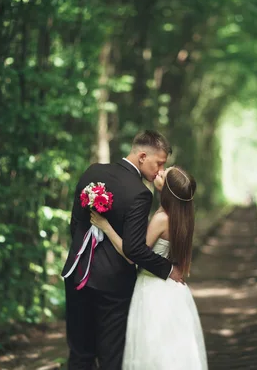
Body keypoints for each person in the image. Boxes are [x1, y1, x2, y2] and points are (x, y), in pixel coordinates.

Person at [61, 130, 185, 370]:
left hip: (77, 274)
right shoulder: (140, 193)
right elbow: (136, 248)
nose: (160, 170)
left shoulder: (92, 171)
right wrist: (168, 268)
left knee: (79, 354)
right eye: (159, 163)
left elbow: (75, 223)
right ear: (141, 157)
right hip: (113, 286)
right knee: (111, 355)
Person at [90, 166, 208, 370]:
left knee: (151, 350)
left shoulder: (161, 218)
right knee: (172, 351)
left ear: (168, 189)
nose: (159, 172)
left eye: (164, 174)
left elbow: (132, 254)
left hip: (153, 289)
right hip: (174, 292)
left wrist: (106, 226)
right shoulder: (183, 217)